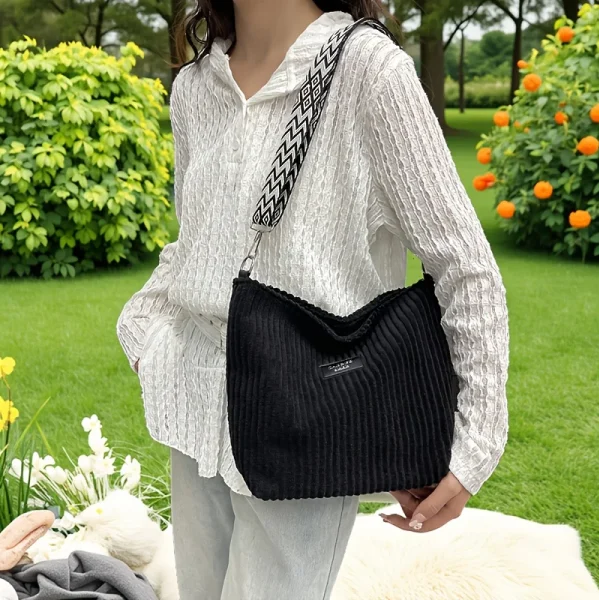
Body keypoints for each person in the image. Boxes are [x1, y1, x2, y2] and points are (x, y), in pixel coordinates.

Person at [115, 1, 510, 598]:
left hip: (310, 417)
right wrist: (144, 330)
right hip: (194, 406)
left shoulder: (369, 73)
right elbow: (193, 242)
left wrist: (474, 435)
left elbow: (464, 266)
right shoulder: (196, 87)